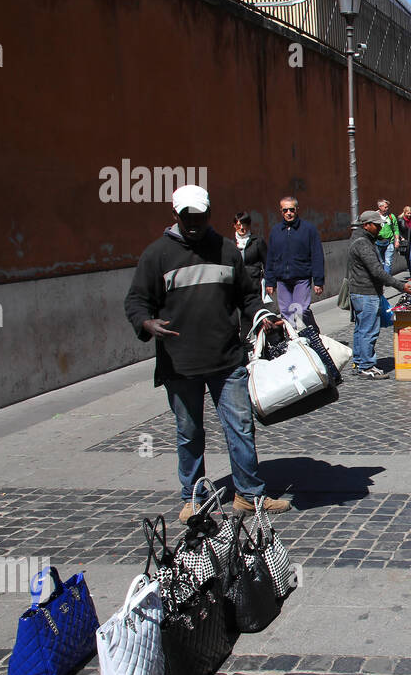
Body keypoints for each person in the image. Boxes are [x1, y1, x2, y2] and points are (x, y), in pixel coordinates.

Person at [124, 185, 290, 520]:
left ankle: (249, 495)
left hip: (226, 359)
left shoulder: (226, 251)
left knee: (240, 427)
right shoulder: (157, 255)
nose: (194, 223)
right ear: (175, 214)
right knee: (189, 433)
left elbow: (247, 296)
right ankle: (194, 498)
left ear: (210, 214)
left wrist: (262, 315)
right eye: (187, 217)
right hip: (179, 363)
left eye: (199, 216)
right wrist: (145, 323)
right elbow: (136, 300)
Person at [346, 211, 411, 379]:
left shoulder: (360, 239)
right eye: (377, 225)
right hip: (366, 292)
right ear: (367, 225)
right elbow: (377, 271)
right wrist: (400, 286)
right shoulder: (363, 243)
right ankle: (366, 366)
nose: (380, 228)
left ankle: (359, 362)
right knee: (368, 330)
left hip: (360, 291)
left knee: (361, 329)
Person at [264, 196, 324, 327]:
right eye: (285, 210)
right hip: (282, 279)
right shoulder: (275, 231)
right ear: (281, 211)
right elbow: (270, 257)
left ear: (297, 209)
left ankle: (311, 332)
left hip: (301, 277)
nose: (288, 213)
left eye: (291, 209)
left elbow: (317, 255)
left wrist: (318, 281)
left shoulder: (308, 229)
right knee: (286, 312)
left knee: (301, 310)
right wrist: (270, 281)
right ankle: (292, 337)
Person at [372, 200, 400, 273]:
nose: (387, 208)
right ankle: (383, 276)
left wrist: (397, 240)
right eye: (385, 207)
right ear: (380, 207)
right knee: (381, 262)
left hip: (389, 241)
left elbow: (396, 229)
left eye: (387, 207)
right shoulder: (374, 216)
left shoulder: (391, 216)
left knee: (388, 262)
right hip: (378, 242)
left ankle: (387, 277)